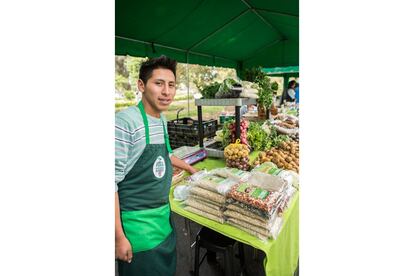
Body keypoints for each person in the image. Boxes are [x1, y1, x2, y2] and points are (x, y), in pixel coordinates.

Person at [115, 55, 197, 276]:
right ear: (142, 85)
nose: (166, 91)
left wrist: (190, 169)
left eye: (171, 85)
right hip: (137, 227)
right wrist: (119, 237)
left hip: (162, 219)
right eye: (158, 83)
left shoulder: (161, 119)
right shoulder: (125, 122)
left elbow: (167, 155)